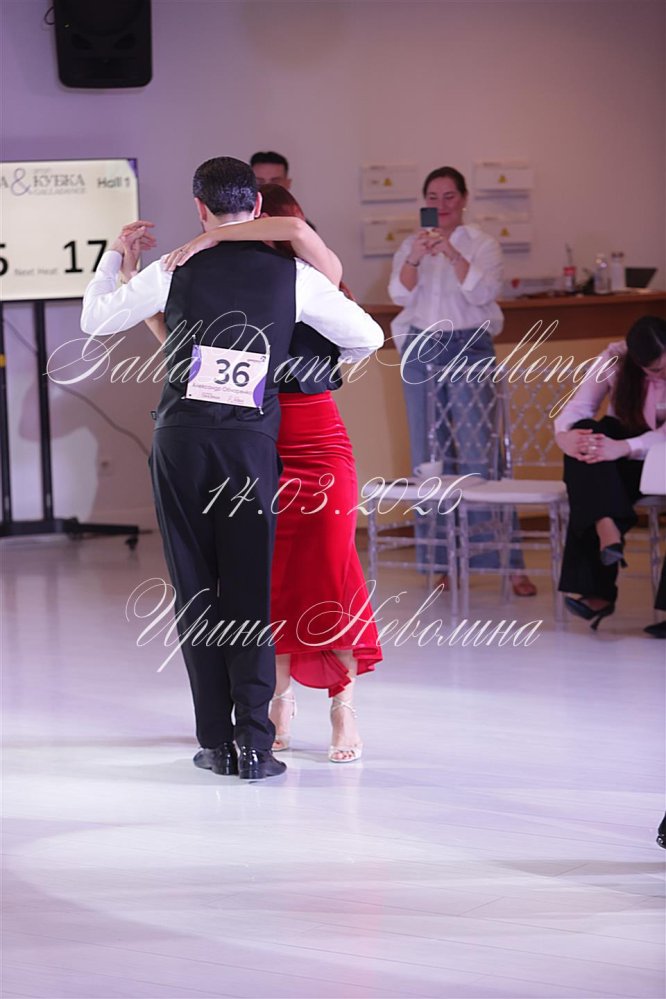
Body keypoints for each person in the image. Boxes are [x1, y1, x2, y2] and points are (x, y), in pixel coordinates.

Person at [80, 157, 383, 780]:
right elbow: (368, 337)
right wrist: (290, 367)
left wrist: (115, 259)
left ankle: (215, 742)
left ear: (200, 208)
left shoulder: (173, 268)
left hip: (183, 441)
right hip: (249, 446)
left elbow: (95, 321)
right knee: (249, 589)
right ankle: (255, 746)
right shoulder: (293, 276)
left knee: (197, 591)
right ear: (257, 206)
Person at [165, 184, 381, 763]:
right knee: (269, 580)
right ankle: (278, 699)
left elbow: (299, 234)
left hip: (319, 442)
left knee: (333, 571)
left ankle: (343, 704)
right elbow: (189, 359)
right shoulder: (239, 287)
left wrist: (209, 235)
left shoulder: (315, 274)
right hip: (259, 441)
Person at [388, 166, 536, 596]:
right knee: (429, 456)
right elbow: (399, 295)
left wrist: (451, 253)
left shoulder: (483, 244)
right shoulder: (410, 244)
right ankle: (443, 562)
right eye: (433, 197)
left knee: (479, 455)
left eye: (449, 196)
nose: (441, 205)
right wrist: (416, 257)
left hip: (469, 345)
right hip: (421, 348)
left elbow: (482, 293)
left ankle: (508, 563)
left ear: (464, 199)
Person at [554, 316, 666, 629]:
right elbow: (578, 408)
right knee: (585, 436)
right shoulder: (615, 359)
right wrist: (565, 437)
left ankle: (599, 585)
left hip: (656, 452)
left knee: (592, 476)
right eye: (655, 370)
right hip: (623, 455)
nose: (662, 374)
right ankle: (606, 525)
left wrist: (625, 448)